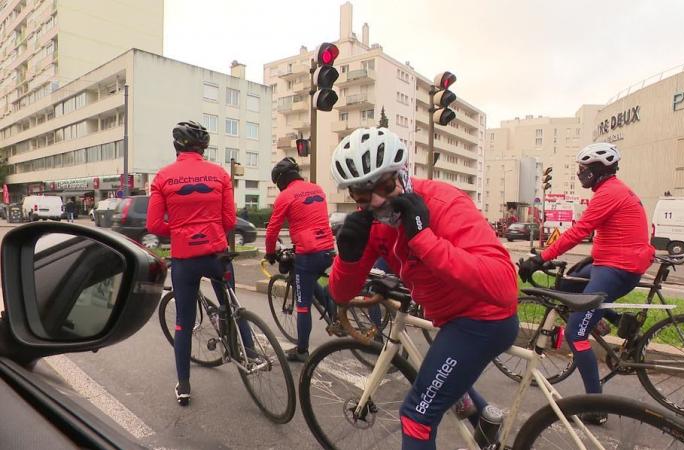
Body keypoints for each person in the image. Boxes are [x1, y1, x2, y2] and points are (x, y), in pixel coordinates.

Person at [327, 127, 519, 449]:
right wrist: (347, 257)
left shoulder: (444, 203)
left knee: (417, 415)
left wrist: (424, 239)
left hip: (484, 318)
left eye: (386, 186)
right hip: (452, 318)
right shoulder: (372, 224)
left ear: (403, 173)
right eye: (362, 195)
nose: (377, 202)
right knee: (443, 376)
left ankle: (483, 419)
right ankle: (486, 420)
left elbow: (505, 287)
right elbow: (342, 294)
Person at [518, 142, 655, 424]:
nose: (580, 174)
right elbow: (615, 232)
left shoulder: (609, 194)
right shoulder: (613, 190)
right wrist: (589, 260)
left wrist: (541, 258)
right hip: (611, 262)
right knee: (567, 287)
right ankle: (614, 320)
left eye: (583, 169)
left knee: (575, 334)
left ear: (597, 170)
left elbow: (580, 231)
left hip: (618, 269)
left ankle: (596, 405)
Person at [147, 120, 249, 406]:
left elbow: (154, 224)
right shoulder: (219, 174)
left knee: (183, 323)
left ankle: (184, 385)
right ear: (203, 147)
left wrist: (180, 230)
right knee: (234, 306)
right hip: (217, 254)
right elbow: (229, 221)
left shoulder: (163, 177)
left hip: (185, 260)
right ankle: (250, 352)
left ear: (177, 146)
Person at [265, 157, 336, 362]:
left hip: (309, 253)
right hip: (327, 250)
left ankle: (302, 350)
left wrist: (270, 253)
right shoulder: (317, 188)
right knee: (311, 282)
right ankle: (335, 319)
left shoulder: (286, 196)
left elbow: (272, 231)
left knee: (303, 305)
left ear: (280, 180)